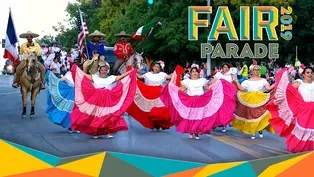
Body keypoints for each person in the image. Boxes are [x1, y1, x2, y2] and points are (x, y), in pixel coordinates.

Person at [160, 67, 236, 140]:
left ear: (198, 73)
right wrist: (172, 86)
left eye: (196, 71)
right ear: (190, 73)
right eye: (193, 72)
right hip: (190, 101)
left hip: (201, 100)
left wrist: (218, 82)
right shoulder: (187, 81)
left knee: (199, 116)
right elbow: (181, 90)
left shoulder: (202, 80)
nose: (194, 73)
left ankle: (196, 132)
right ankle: (191, 130)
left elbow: (208, 88)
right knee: (191, 116)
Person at [69, 65, 137, 139]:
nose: (103, 71)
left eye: (105, 70)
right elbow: (83, 75)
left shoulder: (111, 78)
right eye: (102, 70)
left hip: (108, 100)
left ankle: (108, 131)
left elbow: (121, 77)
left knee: (108, 116)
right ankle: (95, 132)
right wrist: (77, 68)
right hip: (96, 100)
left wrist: (130, 72)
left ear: (107, 71)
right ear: (99, 71)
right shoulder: (95, 78)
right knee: (96, 115)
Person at [267, 67, 314, 153]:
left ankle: (311, 149)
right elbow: (287, 90)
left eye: (311, 72)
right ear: (303, 74)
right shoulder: (299, 83)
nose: (310, 74)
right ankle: (298, 148)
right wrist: (286, 74)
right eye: (307, 72)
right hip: (304, 110)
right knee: (302, 129)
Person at [231, 65, 275, 139]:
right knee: (251, 115)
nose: (256, 71)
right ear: (252, 71)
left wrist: (277, 83)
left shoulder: (263, 80)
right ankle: (253, 131)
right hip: (250, 100)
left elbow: (269, 88)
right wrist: (236, 81)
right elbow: (241, 88)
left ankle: (260, 129)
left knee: (260, 114)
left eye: (258, 69)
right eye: (255, 69)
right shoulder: (247, 81)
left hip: (260, 99)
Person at [127, 62, 173, 131]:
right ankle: (152, 123)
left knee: (159, 109)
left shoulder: (162, 74)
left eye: (158, 67)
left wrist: (176, 73)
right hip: (149, 93)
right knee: (150, 108)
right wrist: (132, 70)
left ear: (160, 68)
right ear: (152, 67)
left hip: (159, 93)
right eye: (155, 66)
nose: (156, 68)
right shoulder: (148, 74)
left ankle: (158, 123)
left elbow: (170, 77)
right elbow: (139, 77)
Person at [209, 64, 237, 132]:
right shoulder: (218, 74)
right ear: (222, 68)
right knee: (217, 109)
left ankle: (224, 125)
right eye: (224, 67)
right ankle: (214, 124)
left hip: (228, 95)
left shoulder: (231, 75)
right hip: (219, 94)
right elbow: (212, 82)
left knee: (226, 110)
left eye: (227, 67)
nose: (226, 68)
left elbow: (234, 85)